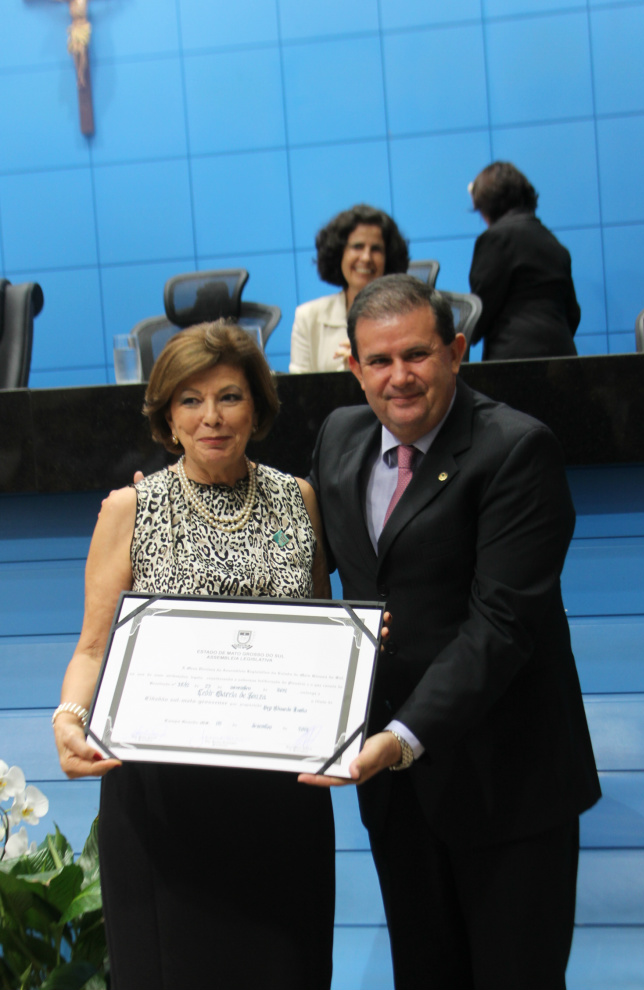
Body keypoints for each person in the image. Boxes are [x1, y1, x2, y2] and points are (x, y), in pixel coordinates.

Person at [300, 275, 601, 990]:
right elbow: (306, 570)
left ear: (456, 350)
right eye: (379, 360)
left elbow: (501, 624)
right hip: (399, 797)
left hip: (509, 782)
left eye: (416, 354)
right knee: (424, 974)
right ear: (354, 367)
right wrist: (166, 496)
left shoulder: (516, 450)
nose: (398, 377)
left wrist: (400, 738)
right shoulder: (338, 437)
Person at [52, 321, 335, 990]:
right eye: (189, 400)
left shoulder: (300, 500)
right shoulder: (130, 508)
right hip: (163, 806)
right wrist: (69, 715)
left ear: (257, 407)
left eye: (230, 396)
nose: (211, 417)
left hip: (279, 801)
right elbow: (93, 648)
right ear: (166, 415)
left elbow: (320, 630)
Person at [468, 161, 581, 360]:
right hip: (563, 358)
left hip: (514, 360)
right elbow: (573, 313)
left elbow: (481, 309)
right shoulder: (552, 242)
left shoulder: (495, 239)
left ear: (485, 207)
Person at [289, 203, 409, 373]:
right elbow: (299, 392)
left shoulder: (407, 316)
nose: (366, 257)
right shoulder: (308, 317)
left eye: (376, 249)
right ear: (339, 254)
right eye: (357, 246)